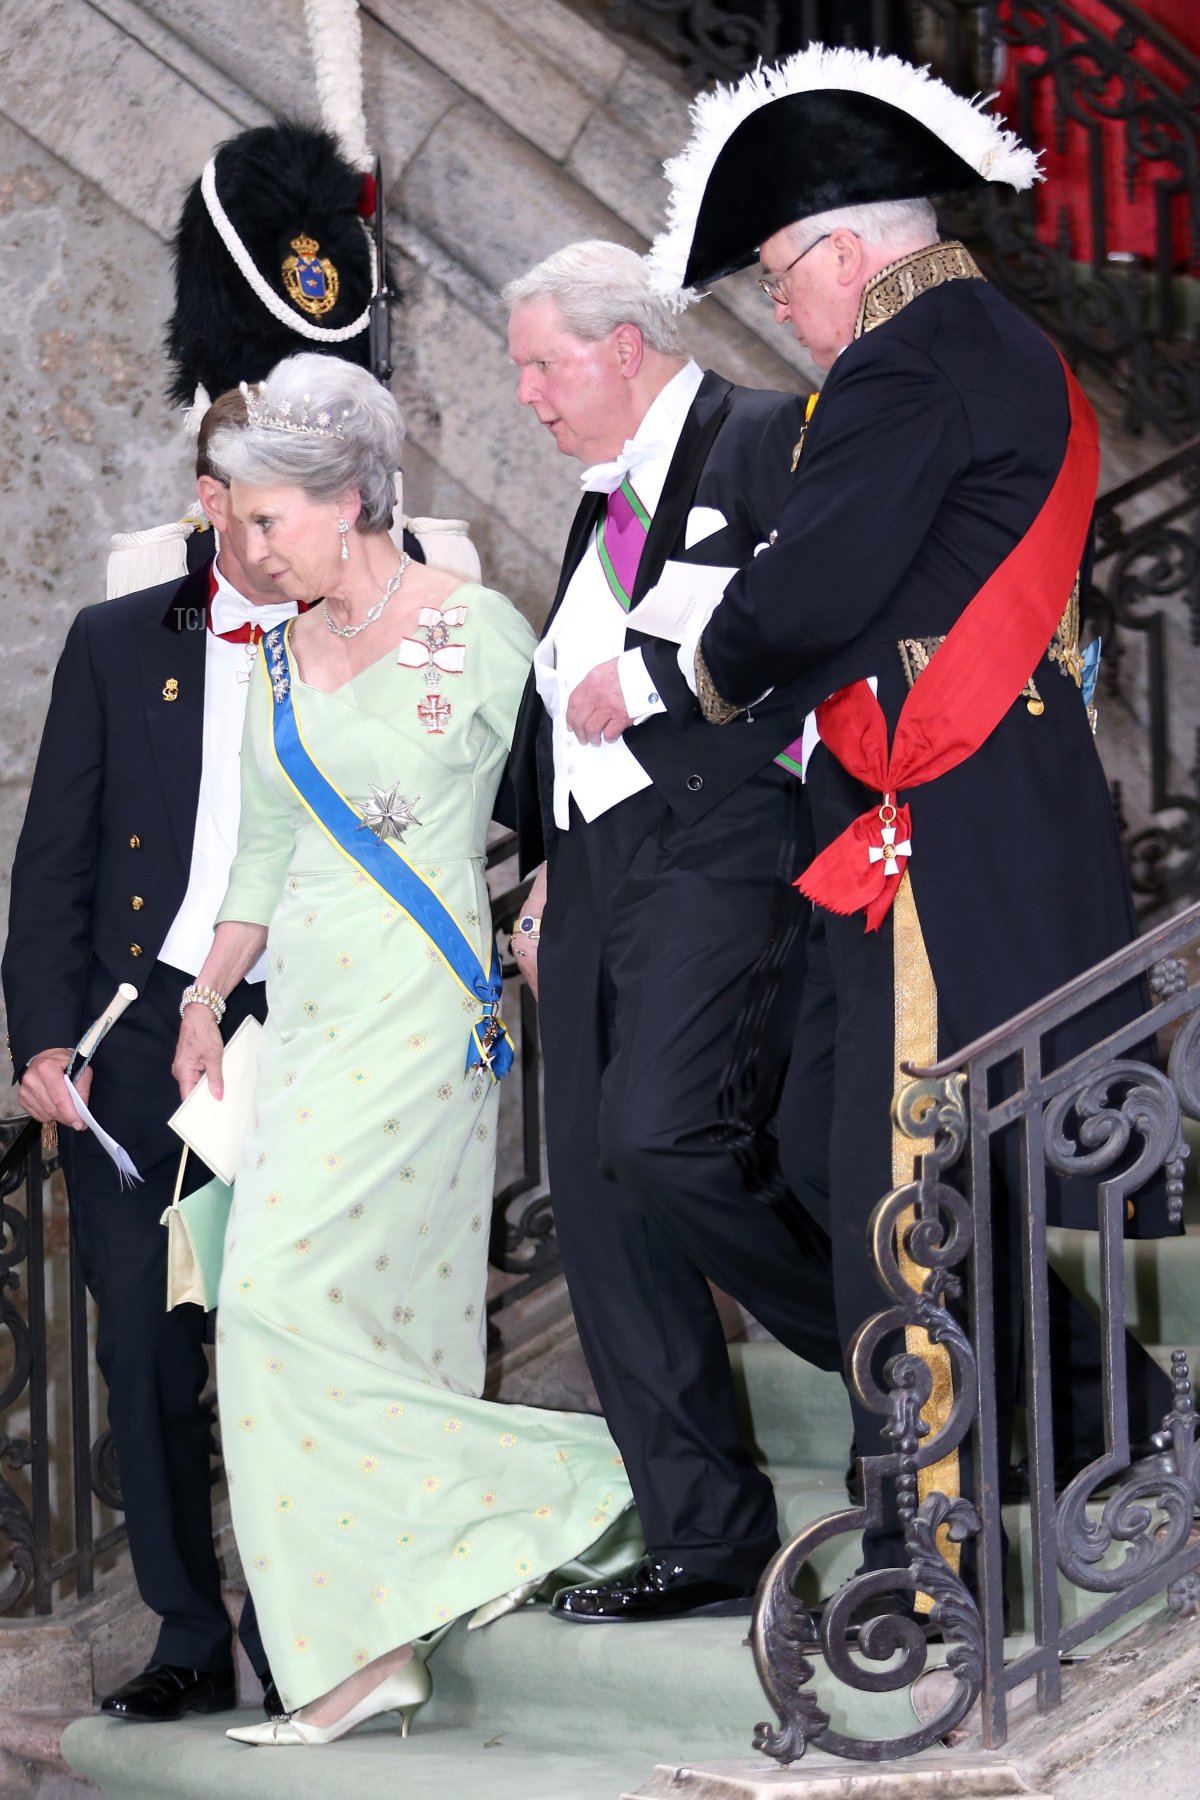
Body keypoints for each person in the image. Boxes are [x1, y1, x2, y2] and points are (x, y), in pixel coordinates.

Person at [645, 43, 1174, 1576]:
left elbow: (809, 583)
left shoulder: (910, 352)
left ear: (839, 252)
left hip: (942, 817)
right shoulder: (967, 338)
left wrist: (704, 657)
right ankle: (1109, 1428)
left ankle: (935, 1530)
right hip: (929, 811)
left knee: (897, 1175)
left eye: (774, 278)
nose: (780, 311)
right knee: (850, 1165)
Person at [172, 351, 634, 1747]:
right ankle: (372, 1643)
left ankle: (588, 1487)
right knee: (311, 1315)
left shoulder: (474, 626)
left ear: (351, 498)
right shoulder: (277, 661)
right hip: (305, 1018)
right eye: (242, 524)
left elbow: (574, 788)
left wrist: (555, 891)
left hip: (427, 1010)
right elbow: (259, 850)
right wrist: (206, 996)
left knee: (275, 1308)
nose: (250, 549)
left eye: (271, 520)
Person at [500, 241, 843, 1626]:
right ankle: (703, 1534)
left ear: (624, 345)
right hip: (591, 869)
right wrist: (541, 877)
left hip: (725, 838)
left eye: (540, 363)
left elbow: (813, 618)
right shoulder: (602, 503)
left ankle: (920, 1352)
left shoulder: (769, 436)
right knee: (597, 1197)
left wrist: (652, 678)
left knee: (665, 1134)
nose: (525, 394)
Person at [3, 391, 294, 1722]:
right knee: (146, 1338)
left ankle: (311, 1626)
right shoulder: (120, 642)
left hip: (312, 1023)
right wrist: (44, 1039)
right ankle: (188, 1630)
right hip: (140, 1045)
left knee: (301, 1336)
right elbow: (54, 854)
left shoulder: (373, 626)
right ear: (205, 494)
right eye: (246, 485)